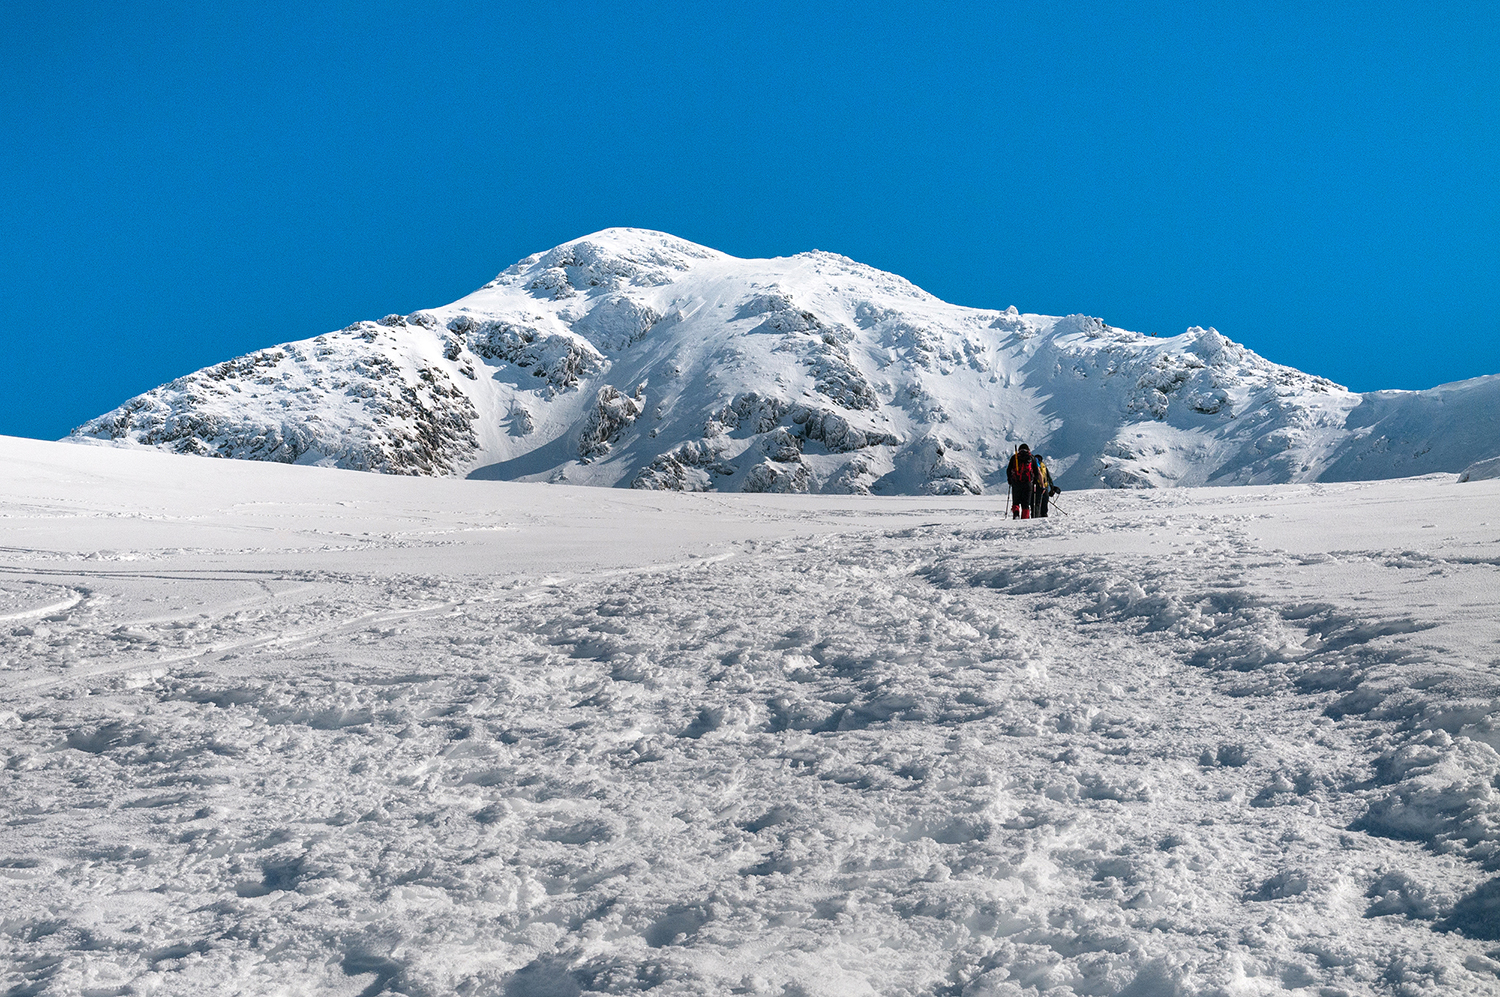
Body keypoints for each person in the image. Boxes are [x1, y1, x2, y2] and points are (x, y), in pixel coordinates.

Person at [1007, 444, 1036, 519]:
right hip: (1028, 483)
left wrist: (1010, 480)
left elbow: (1009, 469)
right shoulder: (1031, 457)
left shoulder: (1015, 457)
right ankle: (1025, 519)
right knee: (1026, 503)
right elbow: (1036, 471)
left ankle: (1016, 514)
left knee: (1016, 502)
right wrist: (1035, 482)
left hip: (1016, 482)